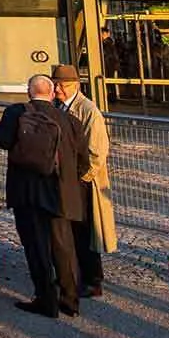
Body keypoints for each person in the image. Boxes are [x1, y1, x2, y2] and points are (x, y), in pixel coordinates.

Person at [0, 75, 86, 317]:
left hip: (26, 191)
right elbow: (83, 159)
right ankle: (70, 300)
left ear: (29, 91)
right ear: (52, 92)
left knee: (36, 246)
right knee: (63, 246)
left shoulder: (15, 112)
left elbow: (3, 142)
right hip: (61, 191)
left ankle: (45, 299)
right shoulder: (70, 120)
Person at [53, 65, 114, 300]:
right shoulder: (59, 106)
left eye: (63, 85)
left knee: (85, 230)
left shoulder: (88, 111)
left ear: (75, 85)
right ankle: (73, 274)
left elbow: (97, 151)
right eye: (56, 84)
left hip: (83, 182)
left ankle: (92, 279)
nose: (58, 89)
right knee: (68, 230)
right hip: (68, 179)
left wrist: (82, 178)